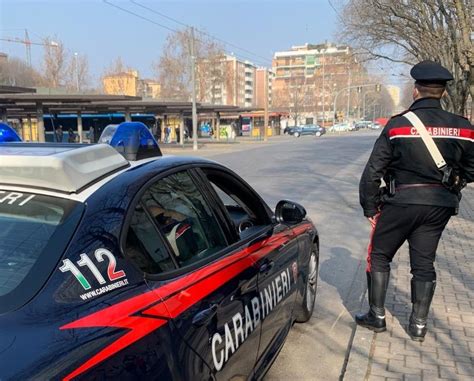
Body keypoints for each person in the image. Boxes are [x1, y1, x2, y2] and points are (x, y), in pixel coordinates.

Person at [356, 60, 474, 341]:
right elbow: (471, 169)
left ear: (415, 91)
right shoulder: (463, 127)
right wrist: (454, 184)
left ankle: (377, 316)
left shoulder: (397, 126)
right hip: (438, 207)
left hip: (400, 203)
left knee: (380, 255)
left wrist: (370, 207)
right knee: (424, 263)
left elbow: (373, 171)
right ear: (443, 93)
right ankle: (418, 325)